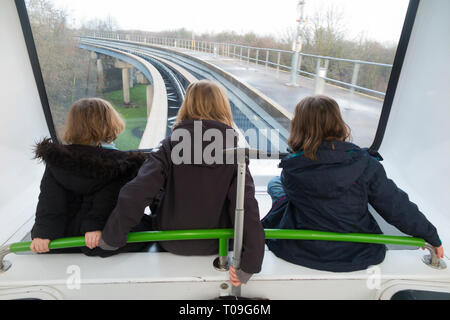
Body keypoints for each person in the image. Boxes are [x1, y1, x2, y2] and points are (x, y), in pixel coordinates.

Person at [98, 80, 265, 286]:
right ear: (223, 107)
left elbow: (137, 191)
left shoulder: (169, 147)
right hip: (217, 243)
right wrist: (251, 264)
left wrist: (111, 238)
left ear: (187, 106)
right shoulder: (234, 154)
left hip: (171, 241)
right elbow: (247, 206)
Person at [262, 95, 444, 272]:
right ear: (338, 124)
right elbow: (396, 206)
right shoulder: (365, 165)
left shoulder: (292, 168)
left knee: (275, 184)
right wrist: (430, 236)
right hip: (356, 252)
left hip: (302, 249)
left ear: (298, 127)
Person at [30, 98, 148, 256]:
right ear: (109, 123)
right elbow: (110, 198)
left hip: (65, 240)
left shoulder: (56, 159)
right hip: (100, 239)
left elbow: (50, 199)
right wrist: (94, 227)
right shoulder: (121, 162)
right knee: (148, 223)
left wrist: (43, 234)